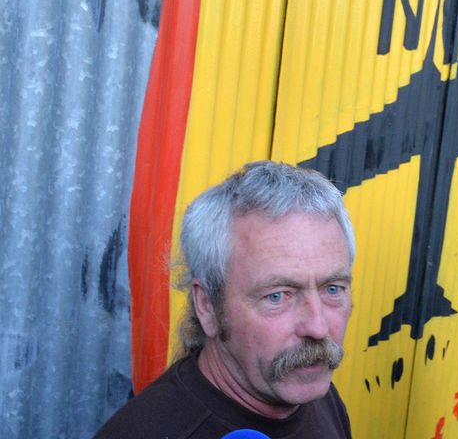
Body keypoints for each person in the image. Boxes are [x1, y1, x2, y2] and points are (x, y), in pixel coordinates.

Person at [95, 161, 355, 438]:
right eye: (277, 296)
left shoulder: (311, 388)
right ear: (207, 306)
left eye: (332, 289)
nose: (318, 328)